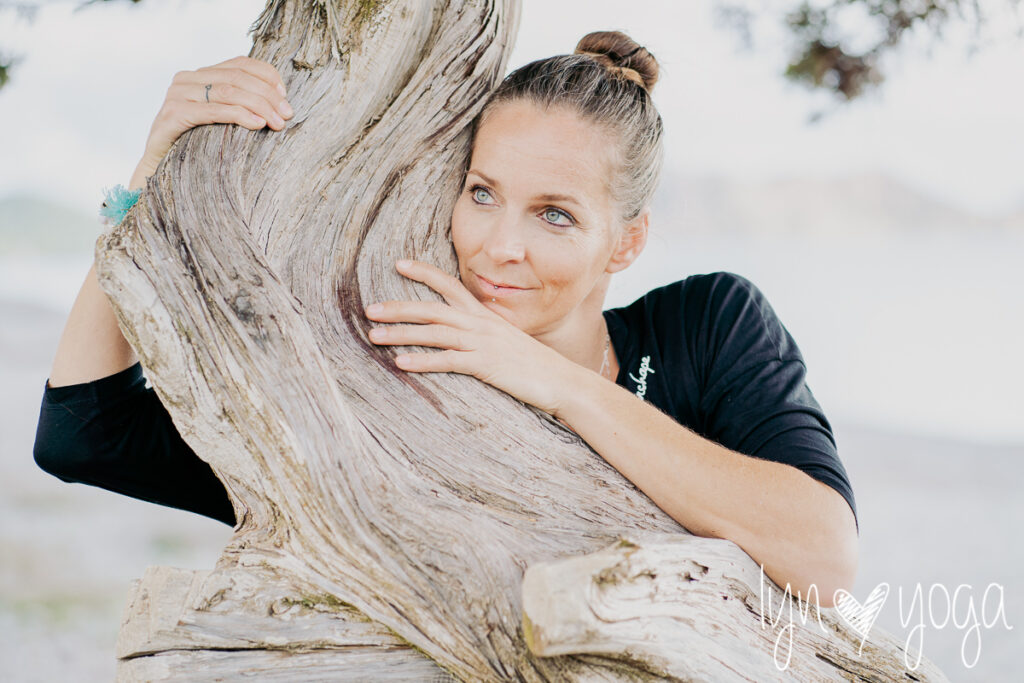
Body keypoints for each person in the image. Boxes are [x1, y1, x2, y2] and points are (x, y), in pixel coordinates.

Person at [33, 31, 858, 608]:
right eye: (483, 193)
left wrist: (555, 383)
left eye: (556, 215)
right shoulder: (381, 362)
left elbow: (823, 556)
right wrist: (153, 173)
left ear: (628, 241)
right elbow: (82, 434)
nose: (500, 247)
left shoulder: (707, 323)